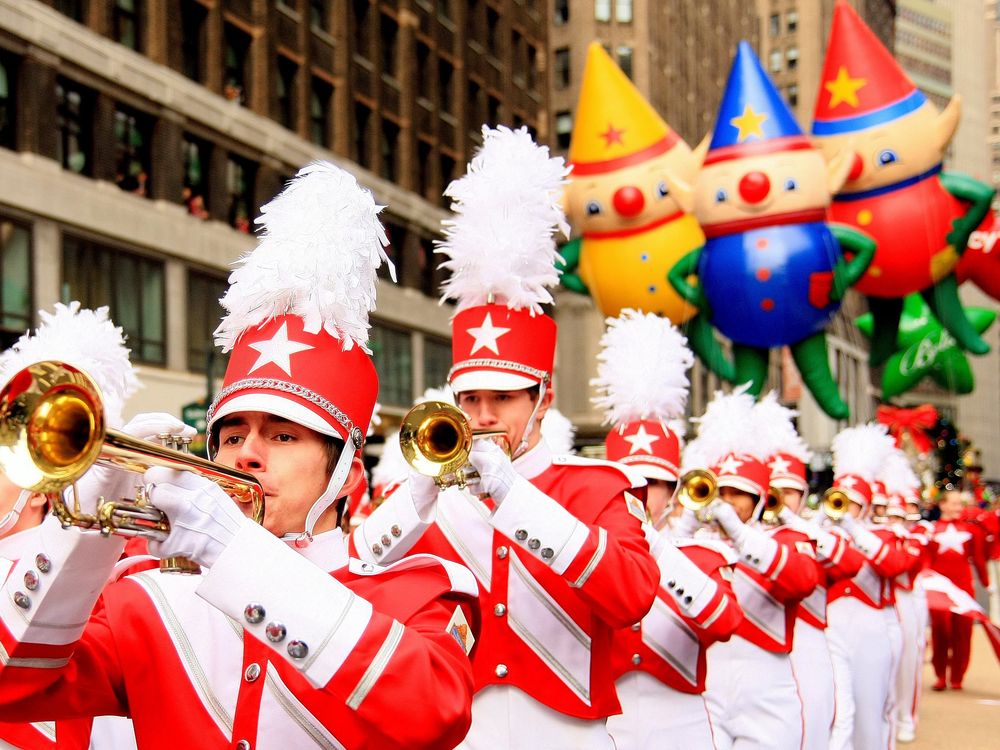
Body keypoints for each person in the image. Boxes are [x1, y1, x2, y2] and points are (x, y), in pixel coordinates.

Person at [0, 162, 478, 749]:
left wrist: (233, 549)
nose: (245, 454)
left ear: (348, 474)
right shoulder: (145, 597)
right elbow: (12, 688)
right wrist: (86, 531)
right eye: (231, 435)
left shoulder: (419, 589)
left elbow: (436, 711)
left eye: (282, 436)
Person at [354, 126, 659, 749]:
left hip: (568, 733)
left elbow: (631, 597)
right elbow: (355, 571)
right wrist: (414, 499)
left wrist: (512, 496)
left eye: (503, 399)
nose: (484, 416)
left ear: (542, 399)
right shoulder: (433, 499)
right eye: (470, 400)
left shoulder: (595, 487)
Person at [594, 310, 743, 749]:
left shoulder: (704, 557)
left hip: (683, 724)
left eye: (654, 484)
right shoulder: (588, 551)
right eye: (630, 481)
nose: (641, 494)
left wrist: (655, 545)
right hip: (607, 723)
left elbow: (725, 621)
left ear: (675, 490)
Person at [690, 390, 820, 750]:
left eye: (739, 493)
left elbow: (804, 580)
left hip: (767, 687)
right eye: (723, 492)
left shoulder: (785, 539)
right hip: (707, 681)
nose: (728, 502)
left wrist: (741, 537)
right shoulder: (694, 543)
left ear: (760, 499)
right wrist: (681, 532)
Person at [760, 394, 864, 750]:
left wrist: (800, 526)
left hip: (809, 643)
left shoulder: (815, 534)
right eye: (777, 491)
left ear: (803, 495)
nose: (783, 499)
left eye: (791, 491)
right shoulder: (743, 536)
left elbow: (851, 563)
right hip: (759, 647)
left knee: (817, 728)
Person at [825, 424, 912, 750]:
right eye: (841, 501)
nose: (845, 508)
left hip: (870, 628)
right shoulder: (822, 534)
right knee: (835, 712)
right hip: (830, 626)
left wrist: (851, 528)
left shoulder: (883, 535)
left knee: (870, 715)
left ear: (864, 506)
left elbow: (893, 565)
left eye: (853, 503)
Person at [927, 488, 990, 690]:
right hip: (940, 589)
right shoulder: (932, 530)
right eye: (953, 503)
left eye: (960, 504)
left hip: (963, 587)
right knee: (940, 631)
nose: (957, 508)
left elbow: (979, 559)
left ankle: (957, 676)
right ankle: (940, 674)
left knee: (962, 632)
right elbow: (926, 561)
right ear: (942, 505)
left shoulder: (971, 531)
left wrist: (987, 583)